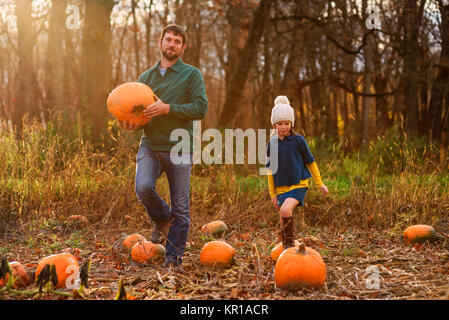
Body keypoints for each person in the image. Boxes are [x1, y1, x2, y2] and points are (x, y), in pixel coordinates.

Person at [118, 24, 208, 271]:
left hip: (180, 146)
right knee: (143, 187)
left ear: (183, 47)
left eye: (177, 41)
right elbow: (139, 117)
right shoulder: (145, 79)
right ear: (160, 43)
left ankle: (173, 259)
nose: (172, 44)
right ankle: (161, 218)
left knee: (181, 205)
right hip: (150, 144)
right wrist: (131, 125)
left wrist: (168, 108)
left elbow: (200, 108)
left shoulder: (191, 75)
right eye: (168, 39)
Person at [266, 96, 328, 250]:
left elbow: (311, 162)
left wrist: (320, 183)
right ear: (274, 124)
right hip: (281, 188)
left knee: (286, 210)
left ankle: (288, 248)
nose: (283, 127)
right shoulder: (271, 144)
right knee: (282, 217)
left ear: (291, 123)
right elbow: (270, 171)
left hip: (298, 184)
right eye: (280, 124)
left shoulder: (299, 140)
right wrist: (273, 194)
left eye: (286, 123)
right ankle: (285, 247)